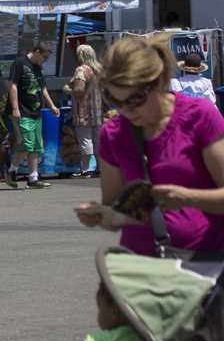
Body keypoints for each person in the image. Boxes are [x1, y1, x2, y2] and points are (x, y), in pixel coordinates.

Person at [74, 36, 224, 256]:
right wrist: (98, 214)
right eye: (117, 101)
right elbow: (115, 214)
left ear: (160, 81)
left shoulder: (200, 116)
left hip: (204, 266)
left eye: (135, 100)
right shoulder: (114, 133)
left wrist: (189, 198)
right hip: (143, 271)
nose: (127, 111)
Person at [36, 282, 144, 341]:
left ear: (113, 312)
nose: (98, 315)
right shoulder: (146, 337)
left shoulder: (102, 340)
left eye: (100, 309)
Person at [8, 43, 60, 189]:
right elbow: (12, 85)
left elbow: (42, 88)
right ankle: (12, 170)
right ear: (36, 52)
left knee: (37, 145)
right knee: (27, 143)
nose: (45, 60)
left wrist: (52, 106)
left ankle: (33, 177)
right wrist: (15, 108)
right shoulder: (19, 63)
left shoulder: (38, 67)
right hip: (22, 110)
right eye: (44, 57)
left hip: (36, 110)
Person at [68, 44, 104, 177]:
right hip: (98, 110)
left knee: (85, 140)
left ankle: (86, 168)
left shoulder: (81, 70)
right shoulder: (99, 69)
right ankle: (100, 168)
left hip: (83, 111)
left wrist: (68, 90)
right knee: (98, 140)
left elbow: (79, 90)